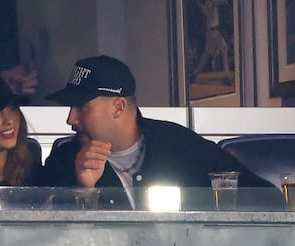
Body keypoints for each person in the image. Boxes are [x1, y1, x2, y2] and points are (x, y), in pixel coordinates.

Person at [43, 55, 278, 211]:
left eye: (82, 108)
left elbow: (267, 198)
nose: (71, 119)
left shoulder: (179, 145)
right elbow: (44, 238)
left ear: (118, 107)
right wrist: (83, 189)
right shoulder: (66, 159)